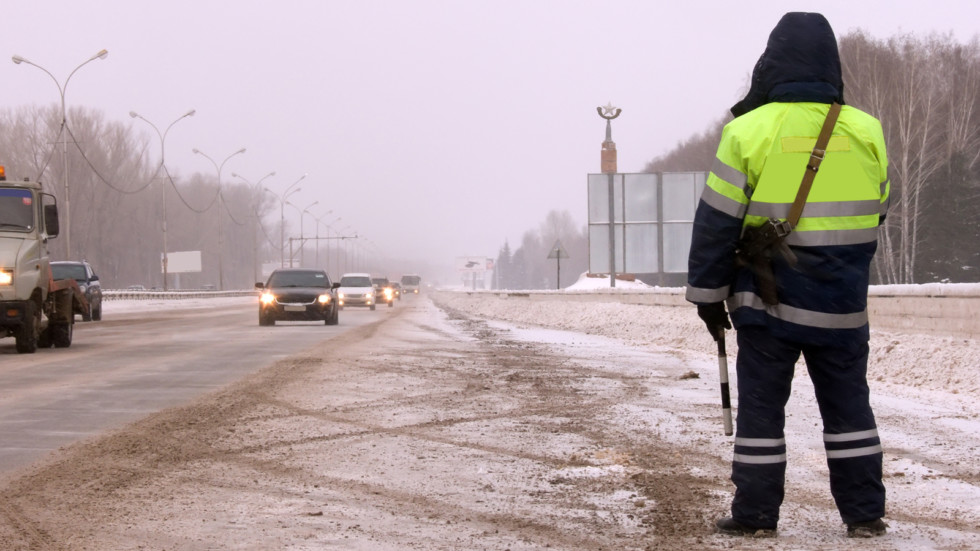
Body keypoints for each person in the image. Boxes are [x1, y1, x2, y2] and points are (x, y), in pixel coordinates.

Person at [685, 12, 889, 539]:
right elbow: (878, 211)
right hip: (843, 305)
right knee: (850, 412)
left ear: (771, 62)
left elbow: (716, 223)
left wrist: (708, 296)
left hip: (768, 304)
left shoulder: (747, 131)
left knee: (761, 415)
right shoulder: (867, 131)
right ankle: (864, 514)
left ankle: (754, 516)